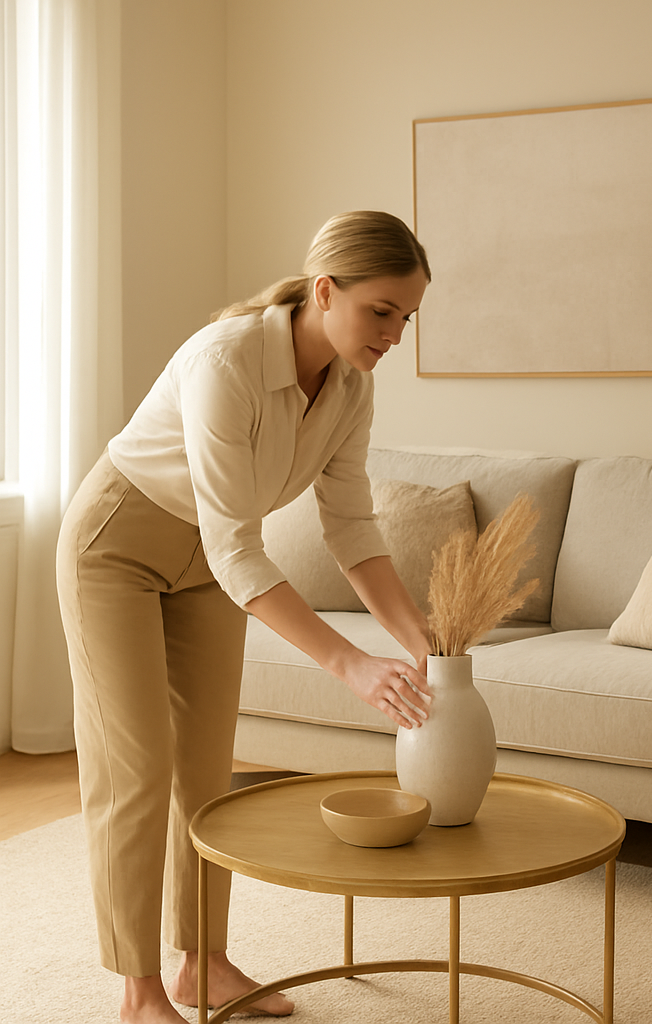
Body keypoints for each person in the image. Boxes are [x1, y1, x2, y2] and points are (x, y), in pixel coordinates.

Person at [57, 211, 440, 1023]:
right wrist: (350, 664)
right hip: (114, 547)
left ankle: (204, 964)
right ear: (325, 290)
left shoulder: (351, 388)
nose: (395, 335)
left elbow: (350, 527)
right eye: (382, 312)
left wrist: (416, 638)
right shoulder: (225, 360)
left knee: (205, 771)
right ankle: (139, 992)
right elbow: (239, 547)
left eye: (406, 318)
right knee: (138, 770)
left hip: (208, 566)